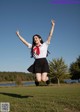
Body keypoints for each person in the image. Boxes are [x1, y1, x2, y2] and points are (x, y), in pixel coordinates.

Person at [16, 20, 55, 86]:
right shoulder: (32, 46)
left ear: (40, 39)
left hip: (44, 62)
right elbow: (24, 42)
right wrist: (19, 35)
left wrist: (53, 25)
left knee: (43, 79)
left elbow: (50, 35)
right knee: (39, 80)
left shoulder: (45, 44)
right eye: (34, 38)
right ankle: (36, 79)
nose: (35, 39)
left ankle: (47, 78)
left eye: (36, 38)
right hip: (37, 63)